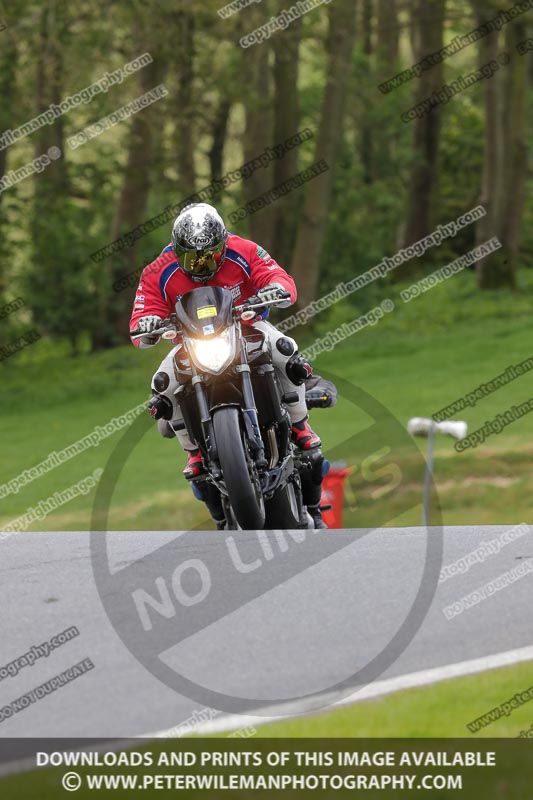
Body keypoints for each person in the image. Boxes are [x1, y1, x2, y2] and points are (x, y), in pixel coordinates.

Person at [129, 202, 325, 527]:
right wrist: (148, 323)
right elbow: (142, 310)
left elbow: (277, 276)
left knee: (286, 349)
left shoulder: (243, 250)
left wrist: (274, 290)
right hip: (191, 343)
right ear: (177, 252)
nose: (202, 263)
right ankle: (193, 451)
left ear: (222, 243)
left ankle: (300, 424)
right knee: (161, 385)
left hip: (246, 326)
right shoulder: (157, 270)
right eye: (193, 257)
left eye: (210, 254)